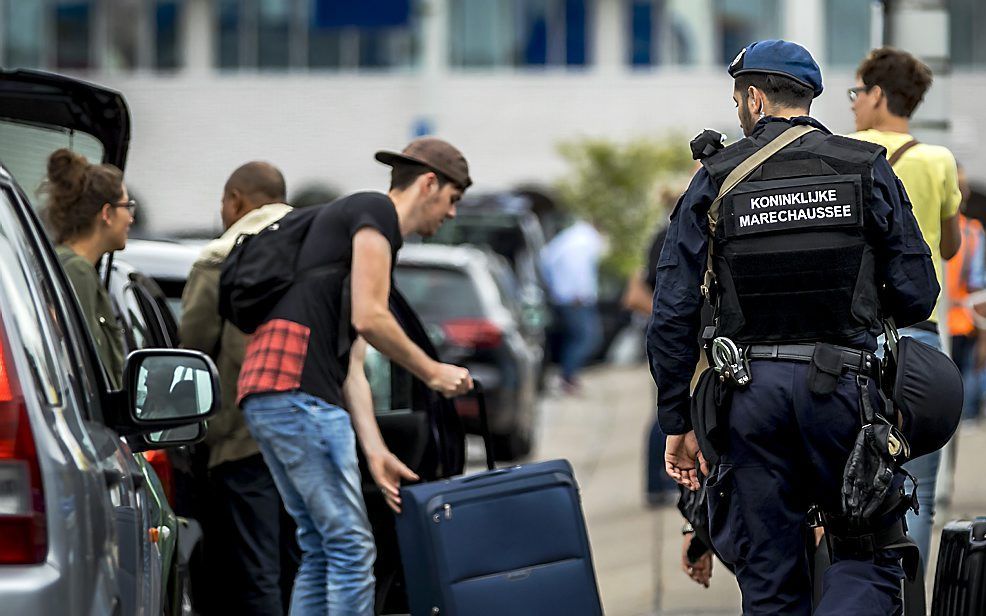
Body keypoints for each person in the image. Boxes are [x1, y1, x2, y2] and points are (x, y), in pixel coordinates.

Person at [648, 39, 938, 615]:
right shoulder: (865, 167)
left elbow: (673, 312)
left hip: (749, 398)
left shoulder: (715, 179)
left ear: (754, 98)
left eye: (738, 100)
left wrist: (677, 422)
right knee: (862, 554)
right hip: (845, 395)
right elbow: (917, 294)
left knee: (771, 578)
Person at [236, 137, 474, 615]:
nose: (450, 214)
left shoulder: (354, 229)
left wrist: (376, 451)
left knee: (324, 548)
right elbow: (371, 316)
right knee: (350, 548)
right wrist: (432, 372)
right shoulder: (375, 212)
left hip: (271, 392)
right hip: (297, 393)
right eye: (452, 199)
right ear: (429, 183)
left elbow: (353, 364)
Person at [847, 46, 963, 572]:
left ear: (877, 94)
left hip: (853, 338)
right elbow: (951, 244)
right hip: (920, 338)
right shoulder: (937, 161)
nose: (853, 105)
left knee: (846, 473)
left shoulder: (842, 152)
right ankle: (906, 594)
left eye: (856, 93)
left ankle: (852, 588)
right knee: (917, 481)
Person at [179, 162, 299, 615]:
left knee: (256, 573)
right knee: (308, 565)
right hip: (313, 432)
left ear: (236, 200)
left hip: (245, 439)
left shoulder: (221, 256)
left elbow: (190, 353)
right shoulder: (317, 252)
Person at [43, 148, 132, 387]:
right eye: (127, 206)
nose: (131, 218)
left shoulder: (65, 263)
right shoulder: (78, 271)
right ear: (107, 213)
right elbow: (90, 368)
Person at [540, 218, 605, 394]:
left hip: (565, 297)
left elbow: (545, 261)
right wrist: (578, 292)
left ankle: (568, 376)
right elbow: (579, 269)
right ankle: (567, 377)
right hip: (576, 299)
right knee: (587, 338)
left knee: (575, 339)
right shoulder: (584, 241)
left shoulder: (569, 238)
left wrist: (555, 287)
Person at [946, 165, 986, 422]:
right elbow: (978, 284)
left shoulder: (927, 227)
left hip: (937, 323)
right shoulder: (973, 232)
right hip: (963, 322)